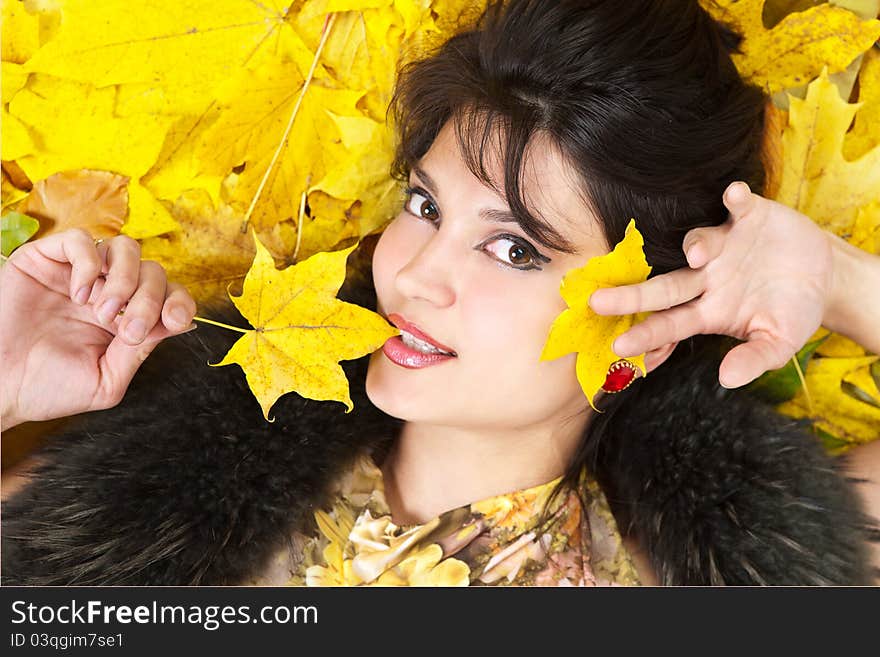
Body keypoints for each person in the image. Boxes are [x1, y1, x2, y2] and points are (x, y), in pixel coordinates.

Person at [2, 0, 879, 586]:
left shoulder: (709, 569)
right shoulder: (135, 514)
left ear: (649, 325)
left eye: (512, 247)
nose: (414, 271)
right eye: (425, 203)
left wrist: (835, 281)